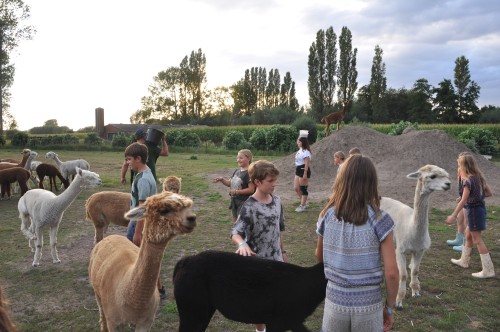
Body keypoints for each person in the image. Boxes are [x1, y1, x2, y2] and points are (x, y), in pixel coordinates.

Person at [315, 154, 399, 332]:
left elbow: (319, 255)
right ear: (371, 182)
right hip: (369, 303)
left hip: (334, 299)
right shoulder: (380, 219)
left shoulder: (326, 215)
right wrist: (389, 307)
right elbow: (391, 273)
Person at [231, 160, 287, 332]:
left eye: (274, 180)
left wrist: (283, 252)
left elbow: (278, 231)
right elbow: (235, 232)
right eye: (270, 181)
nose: (274, 184)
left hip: (276, 262)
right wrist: (242, 244)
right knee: (259, 303)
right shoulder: (249, 207)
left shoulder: (277, 202)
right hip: (258, 265)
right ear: (257, 182)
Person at [123, 142, 167, 299]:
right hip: (138, 222)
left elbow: (143, 208)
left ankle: (144, 291)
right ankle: (159, 289)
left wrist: (137, 232)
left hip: (141, 224)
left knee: (141, 259)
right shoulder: (145, 174)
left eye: (129, 160)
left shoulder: (142, 180)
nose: (127, 163)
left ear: (138, 158)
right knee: (146, 257)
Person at [447, 153, 494, 278]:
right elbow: (489, 193)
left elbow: (463, 201)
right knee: (468, 235)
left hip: (473, 211)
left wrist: (453, 215)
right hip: (480, 209)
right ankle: (464, 261)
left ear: (464, 165)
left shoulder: (467, 181)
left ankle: (488, 270)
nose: (458, 167)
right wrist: (476, 197)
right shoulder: (478, 177)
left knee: (477, 240)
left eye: (459, 164)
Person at [213, 149, 255, 222]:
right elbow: (230, 183)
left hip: (244, 202)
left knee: (241, 223)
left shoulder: (249, 173)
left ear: (248, 158)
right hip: (234, 200)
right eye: (237, 158)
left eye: (241, 158)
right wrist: (222, 179)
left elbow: (251, 190)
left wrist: (236, 192)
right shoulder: (237, 171)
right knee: (235, 222)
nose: (238, 160)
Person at [446, 153, 471, 252]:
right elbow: (464, 190)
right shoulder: (460, 173)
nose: (459, 166)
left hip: (468, 203)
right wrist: (460, 196)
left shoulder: (469, 176)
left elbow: (470, 190)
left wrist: (463, 198)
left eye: (460, 164)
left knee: (467, 222)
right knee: (460, 219)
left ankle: (465, 244)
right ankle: (459, 239)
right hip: (463, 200)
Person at [294, 132, 312, 213]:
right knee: (296, 188)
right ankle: (304, 203)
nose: (297, 143)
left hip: (303, 170)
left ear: (303, 142)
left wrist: (305, 174)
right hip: (298, 169)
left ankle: (302, 205)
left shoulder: (306, 152)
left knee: (303, 189)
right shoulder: (300, 150)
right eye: (297, 141)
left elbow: (307, 164)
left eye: (299, 141)